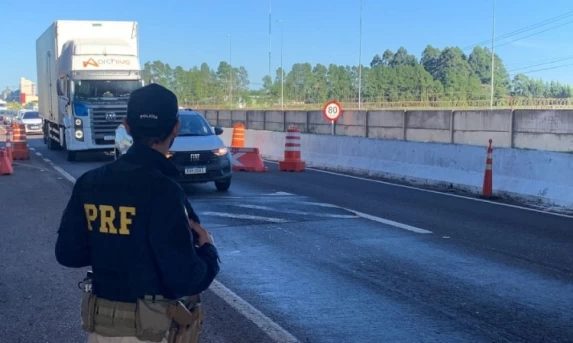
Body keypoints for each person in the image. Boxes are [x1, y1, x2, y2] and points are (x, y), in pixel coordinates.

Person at [55, 83, 220, 343]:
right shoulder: (165, 191)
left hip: (100, 331)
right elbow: (185, 279)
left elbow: (67, 253)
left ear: (126, 125)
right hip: (149, 332)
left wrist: (111, 243)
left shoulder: (89, 182)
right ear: (175, 127)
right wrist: (208, 250)